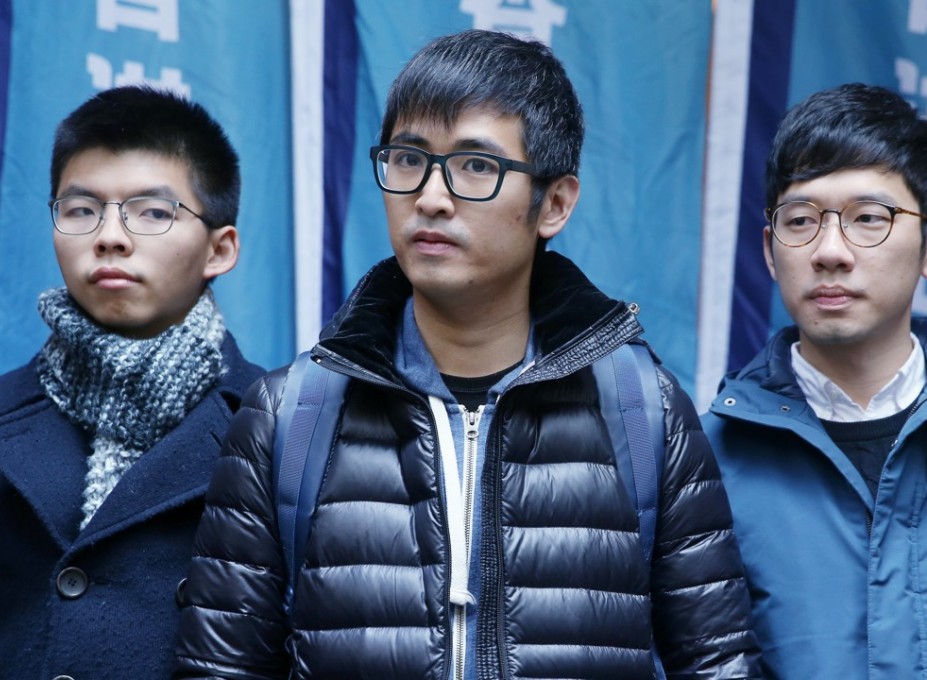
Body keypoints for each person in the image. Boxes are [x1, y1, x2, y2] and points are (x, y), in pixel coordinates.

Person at [175, 29, 760, 680]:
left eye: (476, 166)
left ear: (555, 203)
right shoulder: (291, 413)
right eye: (408, 159)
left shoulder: (642, 408)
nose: (430, 196)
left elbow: (718, 666)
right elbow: (220, 669)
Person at [701, 82, 927, 678]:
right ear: (771, 253)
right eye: (801, 220)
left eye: (869, 219)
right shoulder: (705, 457)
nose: (830, 251)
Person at [0, 85, 264, 679]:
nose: (110, 236)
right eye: (81, 209)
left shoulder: (283, 427)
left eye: (152, 211)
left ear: (219, 249)